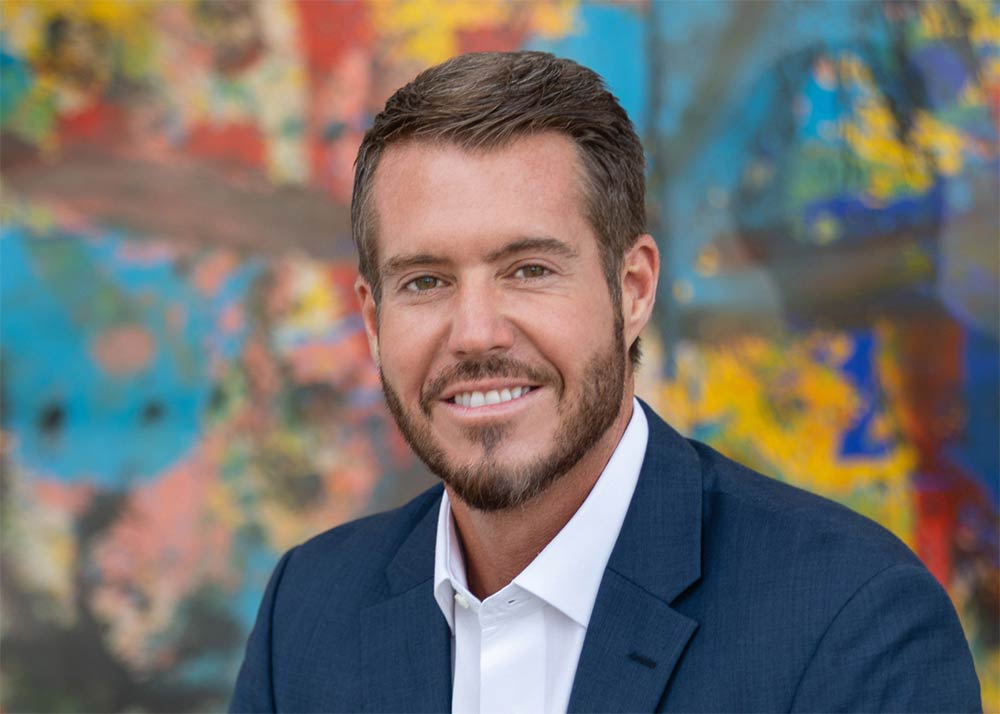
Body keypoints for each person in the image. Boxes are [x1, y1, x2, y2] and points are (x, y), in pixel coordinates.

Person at [230, 51, 981, 713]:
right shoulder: (308, 614)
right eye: (426, 281)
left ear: (634, 289)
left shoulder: (852, 621)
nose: (476, 332)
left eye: (528, 270)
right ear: (372, 318)